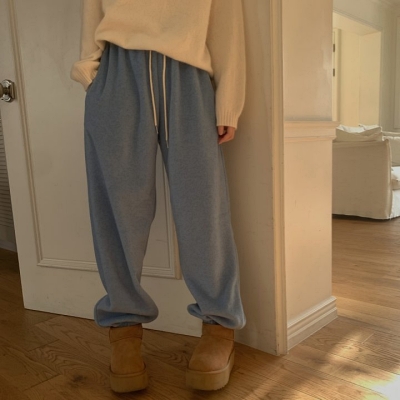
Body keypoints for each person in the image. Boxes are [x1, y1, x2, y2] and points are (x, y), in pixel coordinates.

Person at [70, 0, 246, 393]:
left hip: (189, 77)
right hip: (117, 74)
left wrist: (228, 102)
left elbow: (227, 27)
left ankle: (219, 326)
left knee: (203, 207)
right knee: (117, 211)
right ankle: (124, 328)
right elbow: (91, 13)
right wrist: (91, 76)